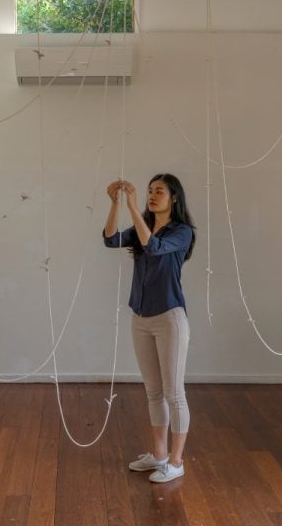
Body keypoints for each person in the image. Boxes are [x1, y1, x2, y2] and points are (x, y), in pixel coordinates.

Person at [103, 174, 195, 483]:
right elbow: (110, 238)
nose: (152, 196)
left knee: (174, 393)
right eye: (149, 191)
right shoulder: (143, 225)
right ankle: (158, 455)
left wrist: (131, 207)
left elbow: (153, 248)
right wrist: (116, 203)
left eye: (159, 191)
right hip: (140, 317)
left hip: (169, 318)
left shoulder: (182, 232)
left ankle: (177, 461)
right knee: (153, 392)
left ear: (174, 198)